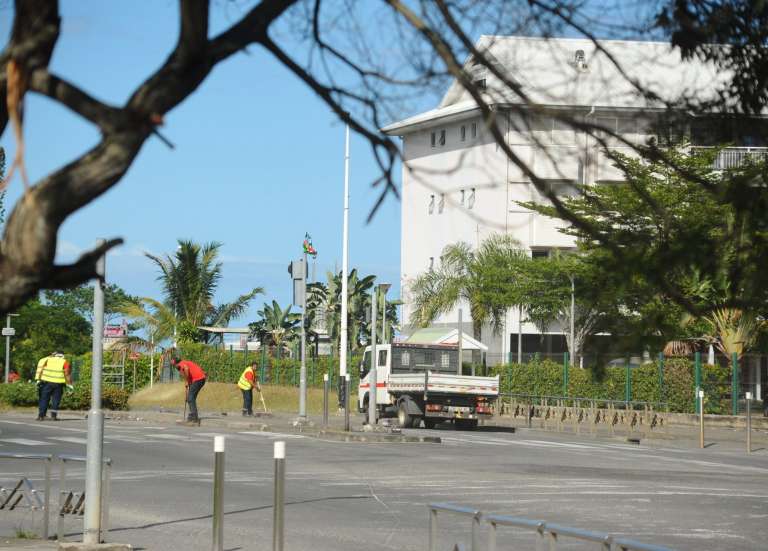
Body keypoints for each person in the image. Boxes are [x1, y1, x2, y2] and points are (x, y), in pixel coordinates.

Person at [36, 352, 73, 421]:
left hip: (46, 383)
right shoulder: (64, 362)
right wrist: (70, 385)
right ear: (62, 356)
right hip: (58, 384)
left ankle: (41, 416)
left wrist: (39, 380)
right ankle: (53, 416)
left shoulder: (47, 360)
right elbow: (67, 374)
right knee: (56, 400)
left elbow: (41, 370)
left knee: (44, 399)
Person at [172, 356, 206, 423]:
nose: (174, 366)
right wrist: (188, 383)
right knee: (190, 398)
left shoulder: (181, 364)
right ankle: (192, 416)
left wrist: (187, 381)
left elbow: (186, 369)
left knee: (190, 398)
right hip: (198, 379)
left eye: (173, 365)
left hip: (198, 379)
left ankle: (194, 418)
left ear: (176, 363)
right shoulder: (183, 363)